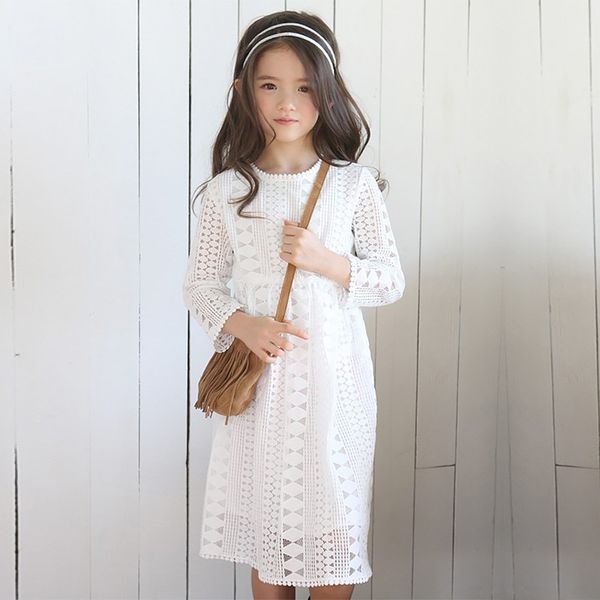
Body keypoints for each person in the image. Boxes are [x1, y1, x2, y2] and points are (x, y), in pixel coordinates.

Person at [182, 10, 405, 600]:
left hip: (337, 390)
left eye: (305, 87)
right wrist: (244, 325)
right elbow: (199, 286)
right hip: (264, 393)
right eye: (270, 85)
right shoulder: (227, 192)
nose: (287, 102)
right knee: (271, 539)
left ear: (327, 93)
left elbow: (389, 281)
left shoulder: (352, 185)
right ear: (243, 90)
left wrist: (326, 260)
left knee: (334, 538)